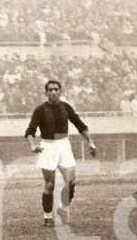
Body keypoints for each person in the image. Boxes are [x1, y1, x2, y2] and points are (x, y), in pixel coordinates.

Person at [24, 79, 97, 227]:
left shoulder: (66, 107)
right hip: (48, 146)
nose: (53, 92)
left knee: (71, 182)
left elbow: (80, 125)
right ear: (46, 93)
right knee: (50, 185)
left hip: (64, 145)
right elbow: (29, 131)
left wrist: (91, 142)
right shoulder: (40, 110)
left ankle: (62, 209)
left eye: (56, 89)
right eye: (50, 90)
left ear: (60, 91)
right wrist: (33, 145)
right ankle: (47, 217)